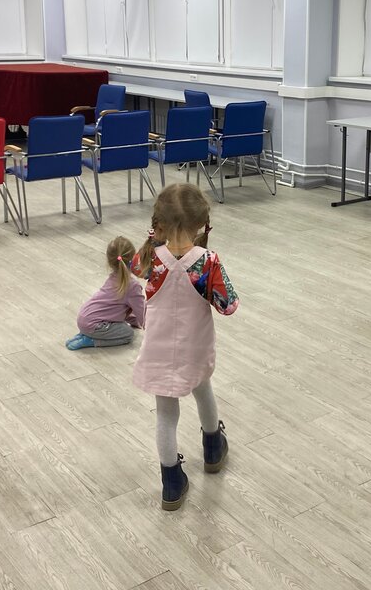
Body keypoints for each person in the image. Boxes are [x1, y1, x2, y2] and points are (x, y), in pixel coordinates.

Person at [132, 183, 239, 511]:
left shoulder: (151, 259)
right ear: (201, 224)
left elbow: (134, 267)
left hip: (158, 350)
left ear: (159, 223)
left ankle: (172, 482)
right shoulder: (207, 262)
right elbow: (228, 305)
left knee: (166, 415)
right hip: (195, 347)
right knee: (203, 389)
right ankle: (213, 447)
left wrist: (154, 238)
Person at [66, 236, 146, 350]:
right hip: (95, 325)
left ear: (110, 262)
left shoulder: (113, 278)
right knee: (128, 334)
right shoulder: (133, 286)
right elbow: (142, 313)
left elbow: (123, 308)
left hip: (84, 318)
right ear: (133, 260)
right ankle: (91, 340)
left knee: (122, 326)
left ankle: (86, 334)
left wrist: (134, 321)